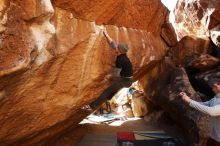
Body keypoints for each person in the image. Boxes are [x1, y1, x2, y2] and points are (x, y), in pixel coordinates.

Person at [86, 29, 133, 111]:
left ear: (120, 51)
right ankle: (109, 97)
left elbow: (115, 74)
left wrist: (108, 76)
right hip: (126, 78)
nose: (116, 48)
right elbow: (113, 44)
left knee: (106, 91)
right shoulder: (121, 52)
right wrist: (106, 34)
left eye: (117, 48)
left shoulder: (121, 60)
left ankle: (91, 106)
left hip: (125, 81)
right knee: (113, 87)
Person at [180, 81, 220, 146]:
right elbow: (202, 105)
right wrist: (187, 99)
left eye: (218, 84)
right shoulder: (215, 99)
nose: (214, 84)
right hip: (213, 138)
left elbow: (211, 111)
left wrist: (190, 101)